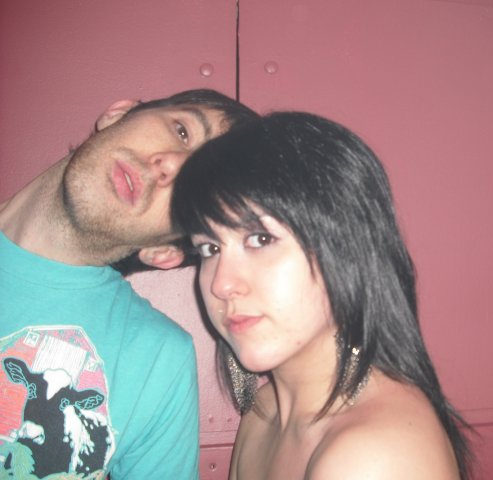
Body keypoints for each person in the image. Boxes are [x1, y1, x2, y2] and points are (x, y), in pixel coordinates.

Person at [171, 111, 475, 479]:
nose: (221, 284)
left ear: (346, 248)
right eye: (209, 249)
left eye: (261, 239)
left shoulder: (374, 455)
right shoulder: (264, 411)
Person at [0, 89, 259, 479]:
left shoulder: (158, 361)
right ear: (119, 113)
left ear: (164, 252)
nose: (169, 164)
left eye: (197, 188)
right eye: (182, 131)